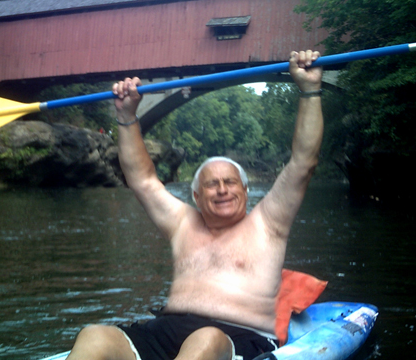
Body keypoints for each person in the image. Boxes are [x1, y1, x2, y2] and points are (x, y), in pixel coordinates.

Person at [67, 50, 323, 360]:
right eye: (211, 184)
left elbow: (302, 162)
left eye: (230, 182)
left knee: (204, 339)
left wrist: (309, 90)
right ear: (196, 197)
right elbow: (142, 179)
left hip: (237, 337)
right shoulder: (182, 223)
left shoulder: (268, 223)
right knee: (94, 336)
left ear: (245, 189)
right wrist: (126, 116)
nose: (221, 190)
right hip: (165, 333)